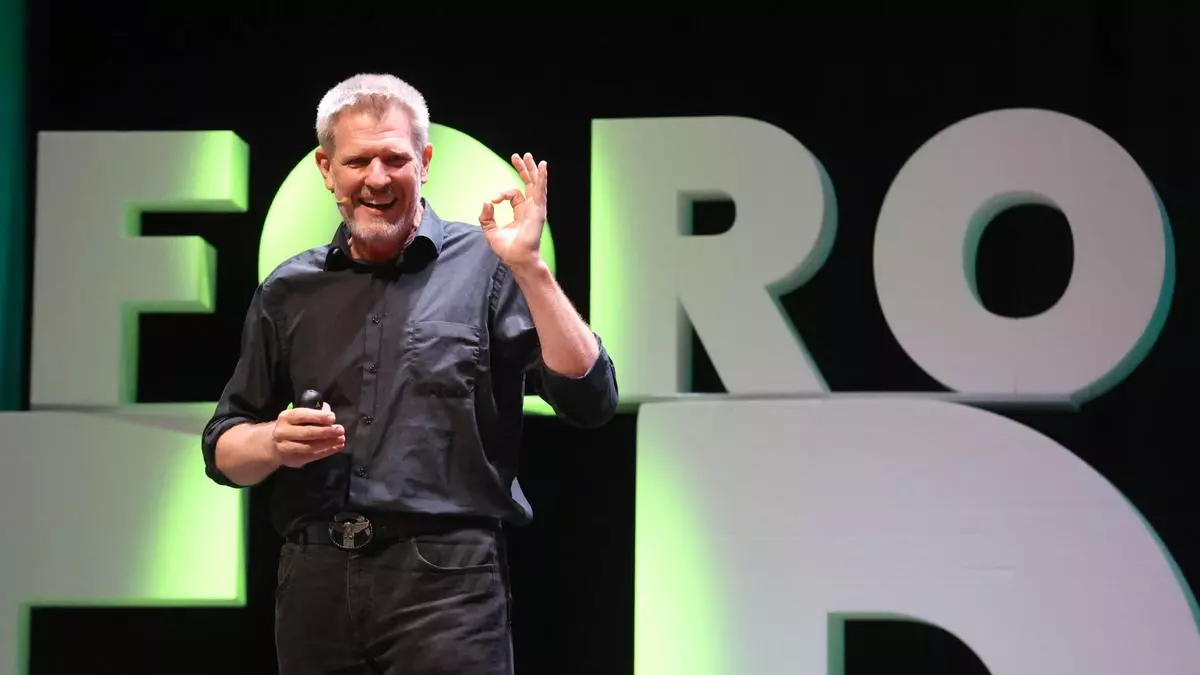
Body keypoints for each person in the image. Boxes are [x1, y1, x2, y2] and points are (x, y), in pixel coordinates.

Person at [200, 72, 619, 675]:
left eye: (395, 158)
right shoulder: (288, 290)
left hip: (446, 586)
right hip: (313, 583)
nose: (377, 178)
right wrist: (272, 442)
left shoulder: (489, 266)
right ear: (326, 169)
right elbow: (223, 451)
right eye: (357, 161)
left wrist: (530, 267)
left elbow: (590, 399)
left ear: (424, 162)